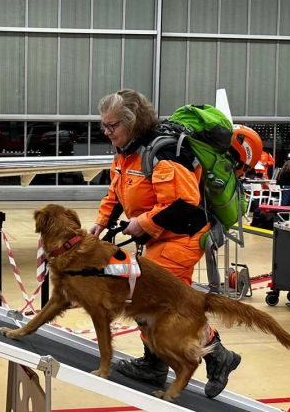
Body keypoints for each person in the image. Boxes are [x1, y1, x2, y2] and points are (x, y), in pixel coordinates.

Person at [88, 89, 241, 398]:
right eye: (104, 125)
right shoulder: (126, 151)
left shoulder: (163, 152)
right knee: (146, 301)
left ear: (132, 123)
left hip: (183, 238)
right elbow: (117, 191)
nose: (107, 132)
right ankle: (155, 364)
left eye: (112, 125)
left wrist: (141, 223)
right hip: (161, 238)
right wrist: (101, 223)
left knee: (159, 303)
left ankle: (217, 354)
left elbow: (185, 203)